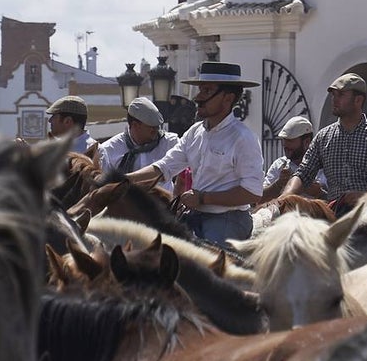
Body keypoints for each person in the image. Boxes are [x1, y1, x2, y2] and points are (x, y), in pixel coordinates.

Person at [124, 61, 263, 244]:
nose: (197, 97)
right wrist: (123, 180)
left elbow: (252, 193)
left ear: (227, 98)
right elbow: (164, 167)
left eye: (206, 91)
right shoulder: (194, 132)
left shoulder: (243, 138)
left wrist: (203, 198)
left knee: (207, 264)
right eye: (200, 90)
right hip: (195, 216)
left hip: (229, 220)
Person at [281, 73, 367, 213]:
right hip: (334, 215)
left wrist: (366, 196)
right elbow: (302, 174)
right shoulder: (323, 137)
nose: (334, 100)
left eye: (341, 95)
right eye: (333, 95)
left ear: (358, 100)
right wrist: (284, 197)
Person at [98, 97, 177, 192]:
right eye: (151, 126)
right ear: (135, 125)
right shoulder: (108, 150)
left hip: (163, 205)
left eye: (157, 126)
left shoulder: (170, 143)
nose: (156, 130)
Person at [261, 115, 325, 201]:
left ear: (306, 142)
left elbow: (335, 200)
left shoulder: (322, 167)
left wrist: (319, 193)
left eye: (290, 140)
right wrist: (279, 184)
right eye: (284, 140)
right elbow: (259, 198)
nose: (285, 145)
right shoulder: (279, 165)